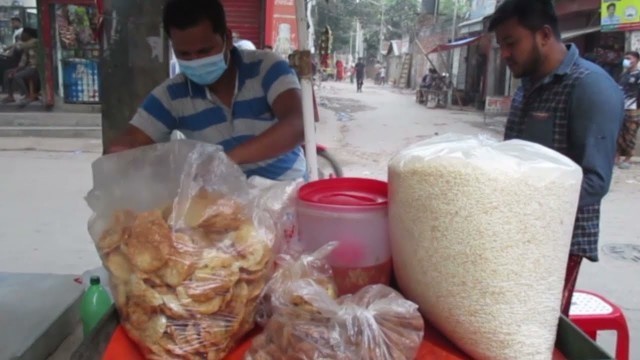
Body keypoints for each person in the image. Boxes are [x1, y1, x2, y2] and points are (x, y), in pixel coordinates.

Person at [489, 0, 624, 316]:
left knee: (536, 326)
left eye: (511, 43)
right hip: (518, 230)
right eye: (501, 45)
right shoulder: (528, 83)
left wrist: (529, 203)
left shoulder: (590, 87)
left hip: (559, 241)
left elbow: (594, 181)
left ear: (544, 35)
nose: (505, 54)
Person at [106, 0, 306, 181]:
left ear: (227, 38)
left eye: (204, 51)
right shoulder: (171, 96)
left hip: (286, 192)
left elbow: (299, 124)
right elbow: (133, 139)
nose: (195, 61)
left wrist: (227, 159)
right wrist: (120, 152)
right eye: (184, 54)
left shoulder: (267, 68)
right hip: (227, 205)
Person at [2, 28, 39, 105]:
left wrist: (10, 47)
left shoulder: (34, 42)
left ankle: (27, 95)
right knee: (8, 73)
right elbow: (23, 61)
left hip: (34, 67)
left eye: (23, 34)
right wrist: (16, 69)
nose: (22, 36)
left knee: (17, 76)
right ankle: (10, 96)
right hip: (27, 67)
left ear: (29, 35)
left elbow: (20, 45)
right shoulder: (26, 47)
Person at [616, 51, 640, 169]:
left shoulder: (638, 75)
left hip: (633, 109)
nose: (626, 60)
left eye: (629, 58)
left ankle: (627, 158)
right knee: (619, 133)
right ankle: (617, 157)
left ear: (636, 60)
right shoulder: (623, 75)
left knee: (630, 134)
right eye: (625, 58)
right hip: (621, 108)